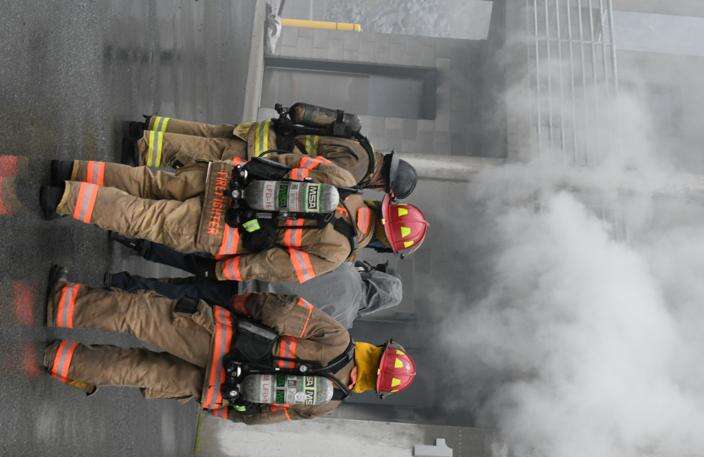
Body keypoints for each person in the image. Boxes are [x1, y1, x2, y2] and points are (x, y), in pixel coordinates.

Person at [42, 266, 417, 423]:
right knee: (136, 368)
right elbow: (262, 416)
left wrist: (241, 304)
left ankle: (64, 304)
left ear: (377, 353)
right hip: (218, 388)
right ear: (374, 385)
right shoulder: (328, 403)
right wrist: (217, 407)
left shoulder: (339, 340)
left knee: (140, 314)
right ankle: (60, 359)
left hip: (217, 337)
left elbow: (280, 311)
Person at [38, 158, 429, 284]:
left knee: (150, 181)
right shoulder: (337, 250)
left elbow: (286, 160)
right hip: (220, 227)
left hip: (229, 178)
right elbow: (274, 265)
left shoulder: (344, 181)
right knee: (145, 217)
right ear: (384, 243)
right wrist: (225, 271)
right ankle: (64, 197)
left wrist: (241, 168)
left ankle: (72, 170)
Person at [126, 104, 417, 198]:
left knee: (208, 132)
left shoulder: (362, 143)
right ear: (383, 182)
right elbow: (307, 175)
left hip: (271, 131)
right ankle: (142, 145)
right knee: (205, 150)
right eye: (383, 190)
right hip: (266, 151)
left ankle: (151, 126)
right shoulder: (355, 171)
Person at [106, 245, 404, 328]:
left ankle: (136, 242)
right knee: (187, 293)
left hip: (252, 267)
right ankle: (121, 283)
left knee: (192, 260)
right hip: (250, 301)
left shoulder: (345, 264)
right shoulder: (343, 322)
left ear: (376, 279)